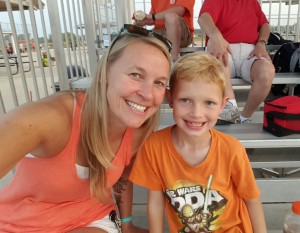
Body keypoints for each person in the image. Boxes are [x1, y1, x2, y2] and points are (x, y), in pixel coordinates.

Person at [0, 24, 172, 233]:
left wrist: (126, 225)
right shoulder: (52, 119)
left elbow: (124, 176)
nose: (147, 94)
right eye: (136, 75)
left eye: (159, 83)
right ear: (106, 72)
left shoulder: (138, 130)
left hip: (91, 220)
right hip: (16, 223)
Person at [130, 52, 267, 232]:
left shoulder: (231, 150)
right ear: (170, 99)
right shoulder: (154, 146)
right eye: (185, 100)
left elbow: (252, 199)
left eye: (209, 103)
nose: (196, 113)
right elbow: (155, 202)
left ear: (222, 105)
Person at [198, 0, 275, 124]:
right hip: (224, 48)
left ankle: (244, 117)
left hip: (250, 52)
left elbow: (265, 25)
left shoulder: (252, 2)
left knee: (267, 72)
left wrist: (261, 43)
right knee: (218, 60)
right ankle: (230, 109)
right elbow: (203, 18)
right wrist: (216, 36)